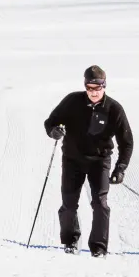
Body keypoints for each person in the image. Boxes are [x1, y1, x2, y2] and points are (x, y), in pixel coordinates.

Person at [44, 66, 133, 257]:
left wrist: (120, 168)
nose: (94, 92)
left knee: (100, 203)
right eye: (90, 87)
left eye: (98, 88)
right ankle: (70, 241)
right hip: (72, 160)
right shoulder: (72, 101)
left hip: (99, 162)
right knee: (69, 203)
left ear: (104, 86)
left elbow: (127, 143)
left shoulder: (114, 109)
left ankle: (99, 248)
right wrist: (54, 131)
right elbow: (50, 121)